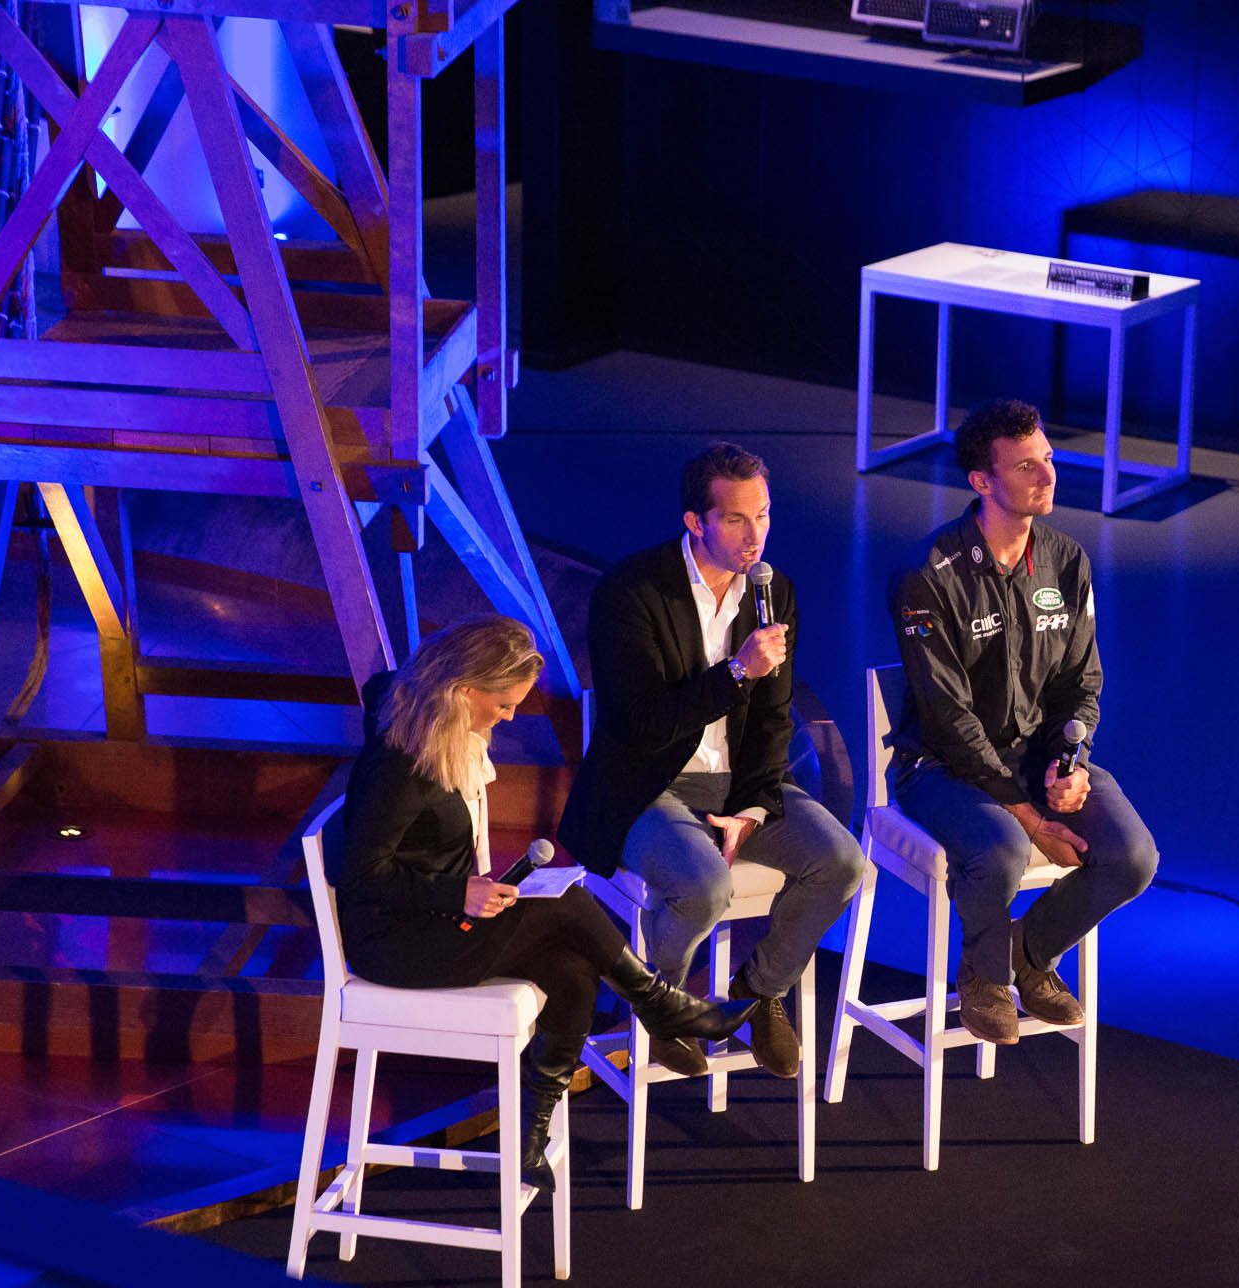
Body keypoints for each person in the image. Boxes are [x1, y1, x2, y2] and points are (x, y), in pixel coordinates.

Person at [332, 616, 752, 1184]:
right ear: (464, 691)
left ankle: (529, 1135)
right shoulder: (401, 761)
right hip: (396, 941)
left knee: (574, 970)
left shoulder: (432, 722)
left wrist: (462, 894)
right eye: (503, 705)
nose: (508, 718)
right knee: (567, 906)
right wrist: (458, 892)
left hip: (437, 917)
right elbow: (357, 875)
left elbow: (388, 684)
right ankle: (662, 1005)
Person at [557, 442, 865, 1079]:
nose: (756, 536)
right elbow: (641, 724)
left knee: (841, 863)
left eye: (764, 515)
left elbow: (774, 717)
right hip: (649, 783)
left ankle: (758, 994)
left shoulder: (773, 593)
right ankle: (663, 1003)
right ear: (695, 521)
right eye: (736, 519)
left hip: (738, 783)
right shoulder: (632, 591)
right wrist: (736, 672)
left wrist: (752, 807)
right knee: (704, 887)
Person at [886, 399, 1158, 1045]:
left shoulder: (1066, 560)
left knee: (1132, 858)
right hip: (942, 770)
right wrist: (1029, 815)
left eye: (1049, 460)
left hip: (1034, 757)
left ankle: (1027, 954)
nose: (1048, 476)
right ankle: (983, 979)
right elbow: (947, 717)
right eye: (1026, 466)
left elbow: (1081, 683)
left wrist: (1069, 763)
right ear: (982, 481)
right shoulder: (926, 576)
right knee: (1003, 849)